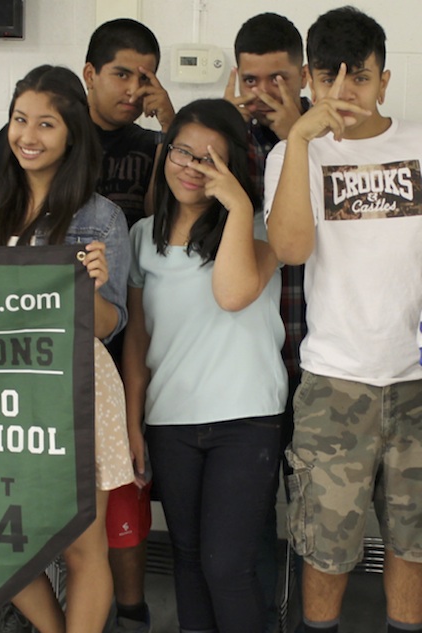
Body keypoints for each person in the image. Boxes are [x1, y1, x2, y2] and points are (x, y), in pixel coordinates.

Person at [264, 7, 422, 633]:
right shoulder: (291, 155)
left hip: (416, 380)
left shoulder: (419, 145)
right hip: (335, 384)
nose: (344, 92)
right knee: (324, 549)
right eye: (329, 76)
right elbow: (290, 249)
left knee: (414, 543)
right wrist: (302, 142)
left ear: (385, 80)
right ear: (309, 77)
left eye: (360, 76)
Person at [0, 64, 133, 633]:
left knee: (84, 547)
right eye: (19, 120)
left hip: (74, 389)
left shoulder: (102, 217)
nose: (28, 135)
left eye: (46, 124)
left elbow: (109, 324)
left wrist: (93, 288)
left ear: (71, 134)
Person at [124, 99, 287, 633]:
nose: (192, 167)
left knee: (228, 567)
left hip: (245, 419)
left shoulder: (262, 228)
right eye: (183, 152)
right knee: (189, 562)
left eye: (210, 159)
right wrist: (133, 424)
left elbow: (233, 294)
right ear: (165, 153)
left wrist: (237, 206)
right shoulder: (142, 236)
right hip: (171, 420)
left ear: (232, 166)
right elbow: (137, 341)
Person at [224, 13, 310, 630]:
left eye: (277, 78)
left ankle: (304, 616)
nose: (262, 93)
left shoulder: (332, 137)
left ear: (303, 75)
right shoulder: (230, 141)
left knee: (312, 514)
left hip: (316, 355)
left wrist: (295, 141)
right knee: (250, 514)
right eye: (250, 80)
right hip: (247, 363)